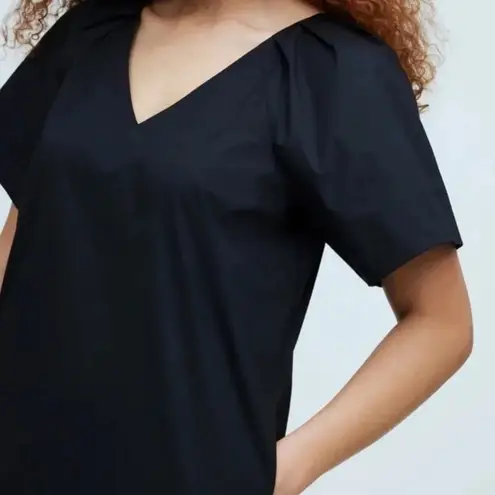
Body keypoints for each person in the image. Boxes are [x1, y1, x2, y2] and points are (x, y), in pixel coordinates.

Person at [0, 0, 473, 493]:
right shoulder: (91, 33)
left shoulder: (328, 71)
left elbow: (442, 323)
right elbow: (19, 244)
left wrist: (290, 467)